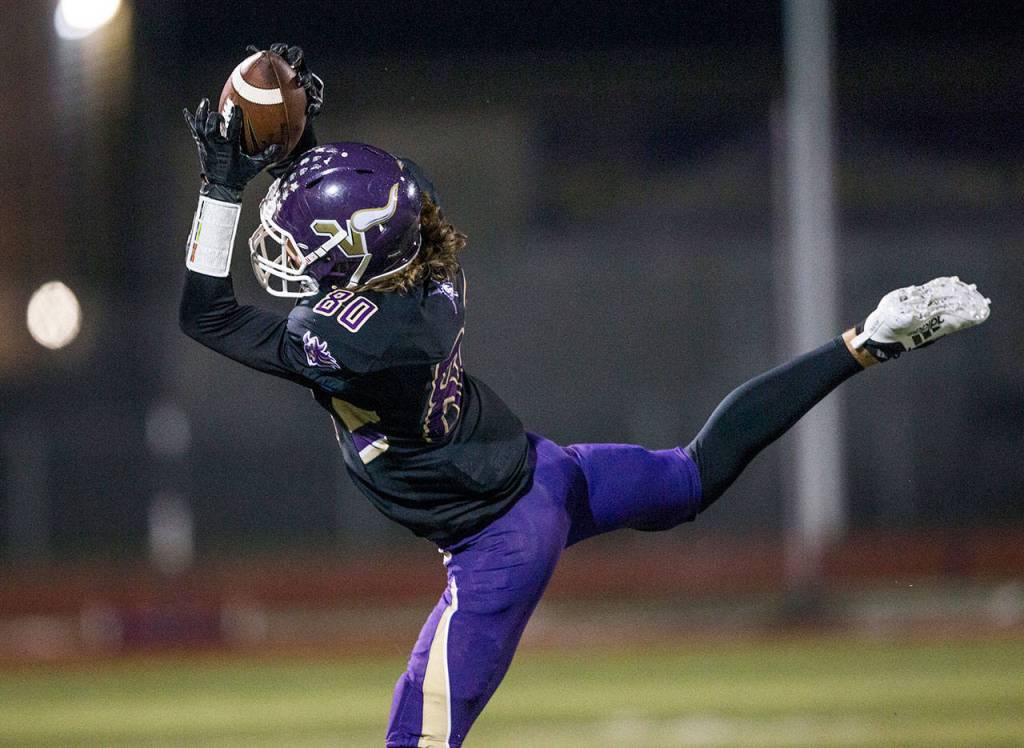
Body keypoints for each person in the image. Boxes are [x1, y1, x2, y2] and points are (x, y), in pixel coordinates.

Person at [181, 46, 991, 748]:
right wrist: (291, 132)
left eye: (300, 244)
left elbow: (205, 311)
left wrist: (222, 183)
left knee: (415, 740)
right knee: (691, 476)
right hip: (542, 473)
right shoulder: (417, 238)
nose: (285, 254)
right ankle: (870, 340)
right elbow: (352, 193)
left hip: (492, 544)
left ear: (355, 262)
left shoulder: (358, 341)